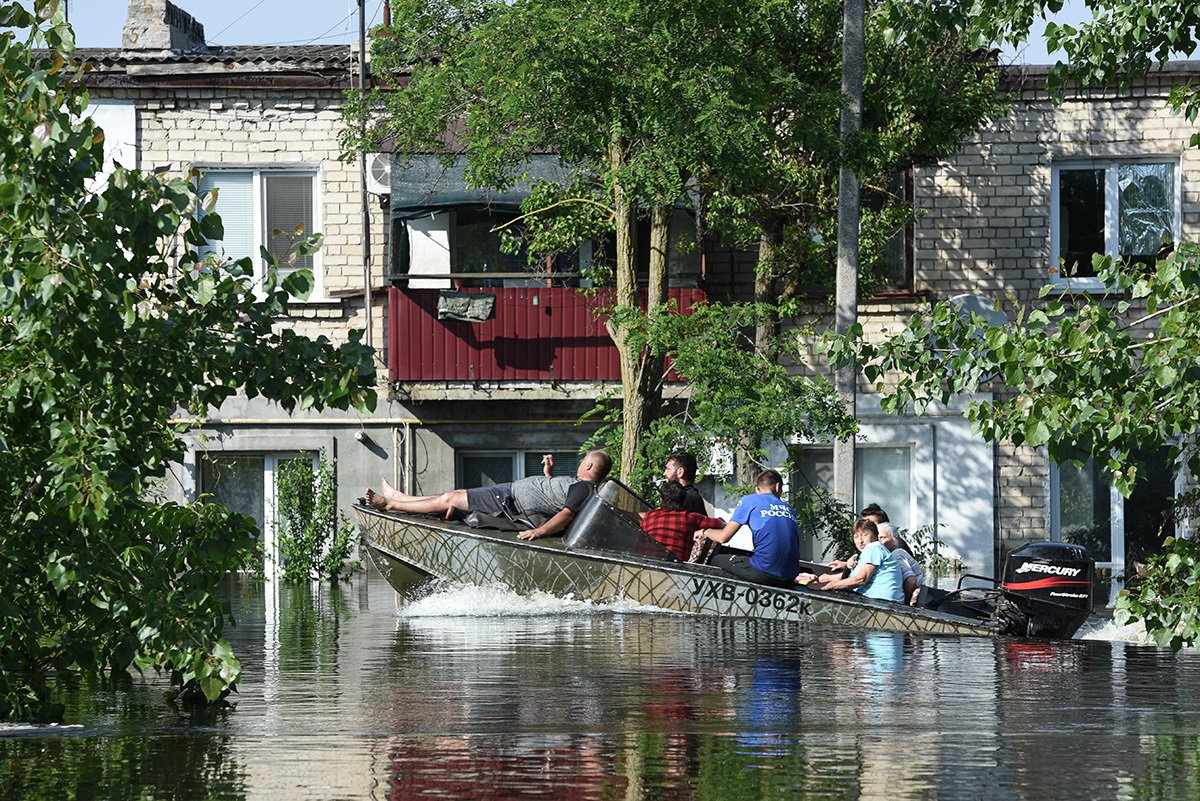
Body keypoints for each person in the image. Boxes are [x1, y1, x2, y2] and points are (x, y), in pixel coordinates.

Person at [365, 449, 612, 541]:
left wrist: (540, 532)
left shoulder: (585, 488)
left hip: (507, 501)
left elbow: (566, 514)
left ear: (589, 467)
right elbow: (555, 498)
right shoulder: (580, 487)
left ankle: (390, 504)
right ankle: (400, 498)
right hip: (508, 493)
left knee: (450, 498)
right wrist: (549, 474)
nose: (581, 463)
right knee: (451, 495)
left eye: (584, 461)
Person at [694, 469, 799, 588]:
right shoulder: (789, 508)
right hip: (790, 575)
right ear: (778, 486)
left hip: (764, 572)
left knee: (715, 559)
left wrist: (705, 531)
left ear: (757, 489)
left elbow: (723, 537)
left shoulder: (750, 500)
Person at [813, 518, 905, 602]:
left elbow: (861, 579)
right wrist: (828, 577)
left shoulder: (873, 547)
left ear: (876, 536)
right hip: (880, 602)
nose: (860, 541)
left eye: (865, 535)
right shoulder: (870, 552)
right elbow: (853, 577)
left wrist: (830, 585)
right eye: (856, 536)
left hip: (883, 603)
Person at [640, 481, 727, 561]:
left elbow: (639, 544)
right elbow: (723, 525)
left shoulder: (648, 517)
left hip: (650, 565)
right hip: (678, 569)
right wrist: (704, 531)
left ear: (661, 500)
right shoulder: (690, 517)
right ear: (683, 500)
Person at [877, 521, 924, 605]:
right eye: (877, 538)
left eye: (883, 537)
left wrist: (905, 604)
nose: (878, 542)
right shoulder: (897, 552)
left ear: (895, 539)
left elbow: (911, 581)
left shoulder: (896, 555)